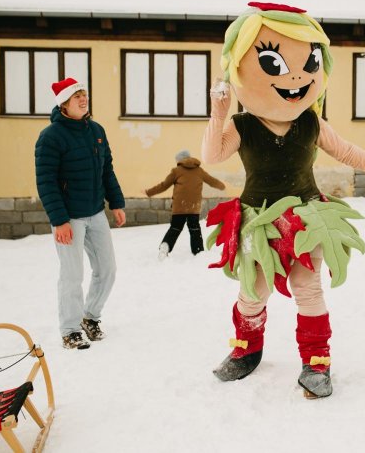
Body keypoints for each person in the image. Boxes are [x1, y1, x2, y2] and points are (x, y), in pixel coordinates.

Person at [202, 2, 365, 398]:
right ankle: (246, 350)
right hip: (259, 222)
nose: (297, 76)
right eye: (274, 63)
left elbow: (348, 151)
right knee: (252, 292)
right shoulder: (243, 125)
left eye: (309, 62)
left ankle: (317, 362)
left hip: (306, 218)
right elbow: (212, 155)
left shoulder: (311, 121)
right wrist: (219, 112)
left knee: (307, 286)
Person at [34, 77, 126, 350]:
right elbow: (46, 182)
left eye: (84, 94)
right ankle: (70, 330)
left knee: (107, 269)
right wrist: (59, 220)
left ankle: (90, 317)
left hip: (95, 213)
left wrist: (116, 202)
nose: (84, 99)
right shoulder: (50, 137)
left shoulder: (96, 130)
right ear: (64, 104)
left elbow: (106, 170)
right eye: (77, 96)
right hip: (69, 217)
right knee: (72, 276)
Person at [143, 149, 226, 259]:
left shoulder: (176, 171)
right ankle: (198, 251)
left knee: (175, 227)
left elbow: (163, 185)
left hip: (179, 205)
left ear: (180, 160)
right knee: (194, 228)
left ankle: (166, 245)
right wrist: (222, 186)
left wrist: (149, 192)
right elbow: (212, 180)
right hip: (194, 206)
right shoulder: (199, 171)